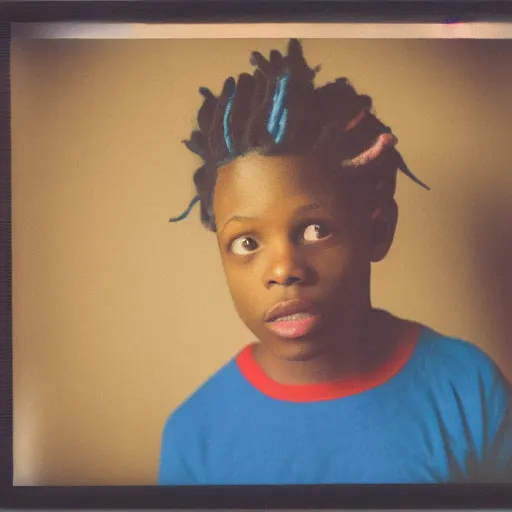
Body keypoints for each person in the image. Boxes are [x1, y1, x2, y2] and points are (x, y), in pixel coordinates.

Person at [159, 39, 512, 484]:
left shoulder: (468, 389)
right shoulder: (195, 435)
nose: (285, 269)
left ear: (377, 231)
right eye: (247, 243)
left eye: (314, 230)